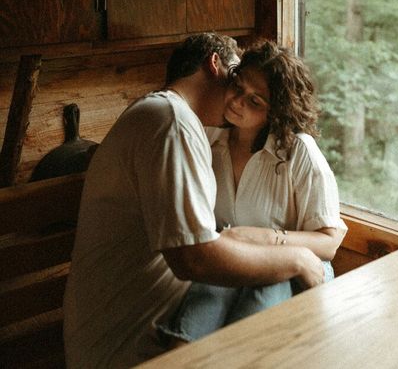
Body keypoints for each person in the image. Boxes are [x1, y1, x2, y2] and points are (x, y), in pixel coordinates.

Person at [63, 33, 324, 369]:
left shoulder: (167, 115)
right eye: (236, 79)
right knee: (287, 282)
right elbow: (195, 260)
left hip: (159, 319)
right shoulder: (171, 121)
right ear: (215, 65)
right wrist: (299, 259)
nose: (236, 99)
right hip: (131, 344)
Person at [156, 39, 347, 347]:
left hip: (297, 270)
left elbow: (330, 242)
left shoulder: (298, 152)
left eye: (256, 101)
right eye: (238, 87)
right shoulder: (207, 138)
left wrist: (263, 238)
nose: (238, 102)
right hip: (235, 261)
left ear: (276, 113)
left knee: (263, 296)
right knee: (211, 290)